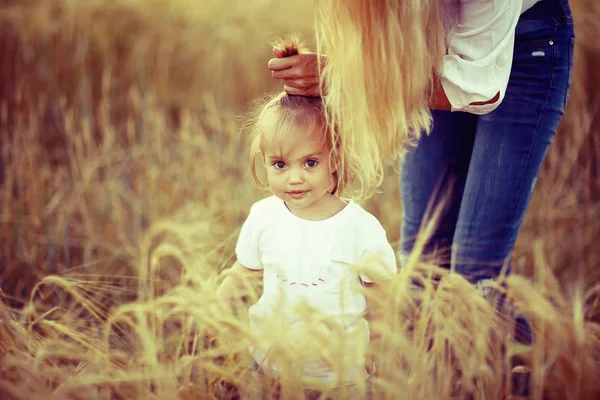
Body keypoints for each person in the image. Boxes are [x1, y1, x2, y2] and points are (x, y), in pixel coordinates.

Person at [267, 0, 574, 395]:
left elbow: (478, 89)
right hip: (428, 45)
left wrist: (341, 77)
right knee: (421, 265)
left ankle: (521, 388)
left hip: (529, 47)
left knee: (476, 275)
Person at [215, 40, 397, 397]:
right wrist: (225, 293)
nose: (294, 178)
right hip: (268, 364)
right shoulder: (263, 216)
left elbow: (382, 296)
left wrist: (382, 350)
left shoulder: (360, 229)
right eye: (280, 165)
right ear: (264, 162)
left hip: (339, 375)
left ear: (335, 160)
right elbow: (248, 271)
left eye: (310, 163)